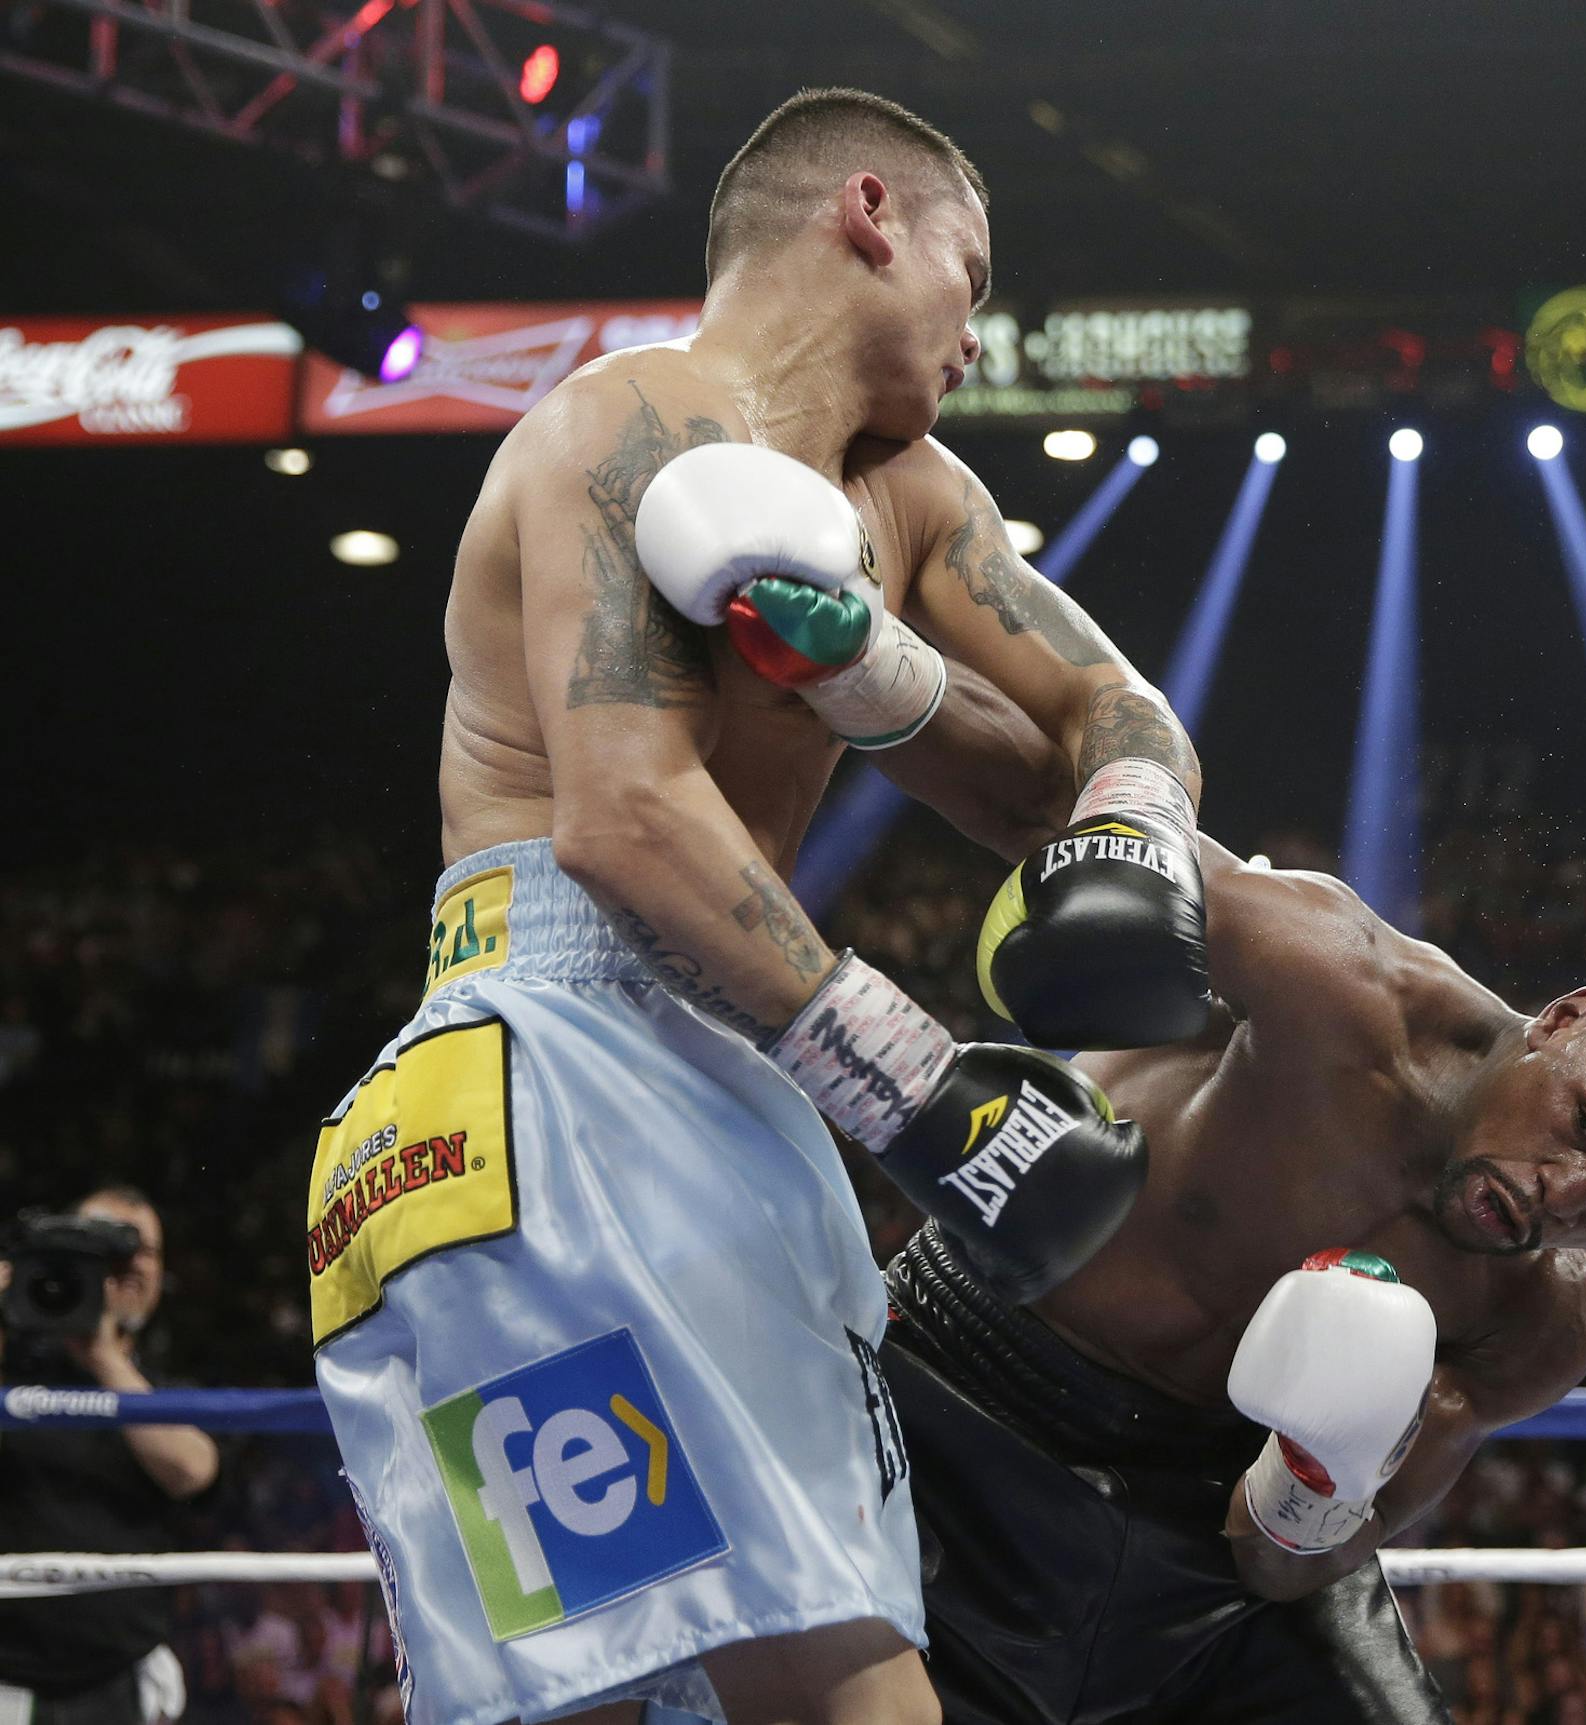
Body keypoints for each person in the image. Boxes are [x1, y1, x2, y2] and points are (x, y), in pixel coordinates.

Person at [308, 86, 1207, 1725]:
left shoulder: (910, 499)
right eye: (970, 276)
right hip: (569, 1067)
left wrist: (900, 687)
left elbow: (1102, 729)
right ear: (870, 213)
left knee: (650, 1688)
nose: (974, 336)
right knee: (818, 1675)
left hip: (605, 1103)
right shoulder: (636, 416)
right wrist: (921, 1092)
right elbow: (623, 819)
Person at [877, 835, 1586, 1723]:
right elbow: (1062, 814)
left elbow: (1296, 1562)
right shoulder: (1336, 979)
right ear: (1563, 1018)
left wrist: (1312, 1485)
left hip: (1212, 1524)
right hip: (960, 1383)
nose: (1569, 1194)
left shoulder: (1548, 1316)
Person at [0, 1188, 219, 1725]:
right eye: (107, 1248)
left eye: (146, 1251)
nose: (130, 1264)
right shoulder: (12, 1378)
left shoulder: (167, 1392)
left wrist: (100, 1354)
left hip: (117, 1680)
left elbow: (192, 1471)